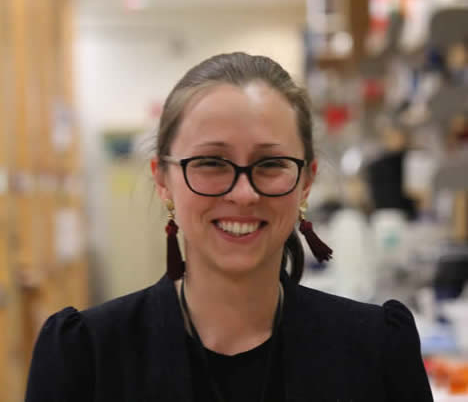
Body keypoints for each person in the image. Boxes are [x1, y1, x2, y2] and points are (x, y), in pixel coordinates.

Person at [25, 52, 433, 402]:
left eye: (270, 164)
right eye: (211, 163)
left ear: (307, 180)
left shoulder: (376, 348)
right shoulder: (85, 356)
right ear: (162, 179)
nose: (243, 193)